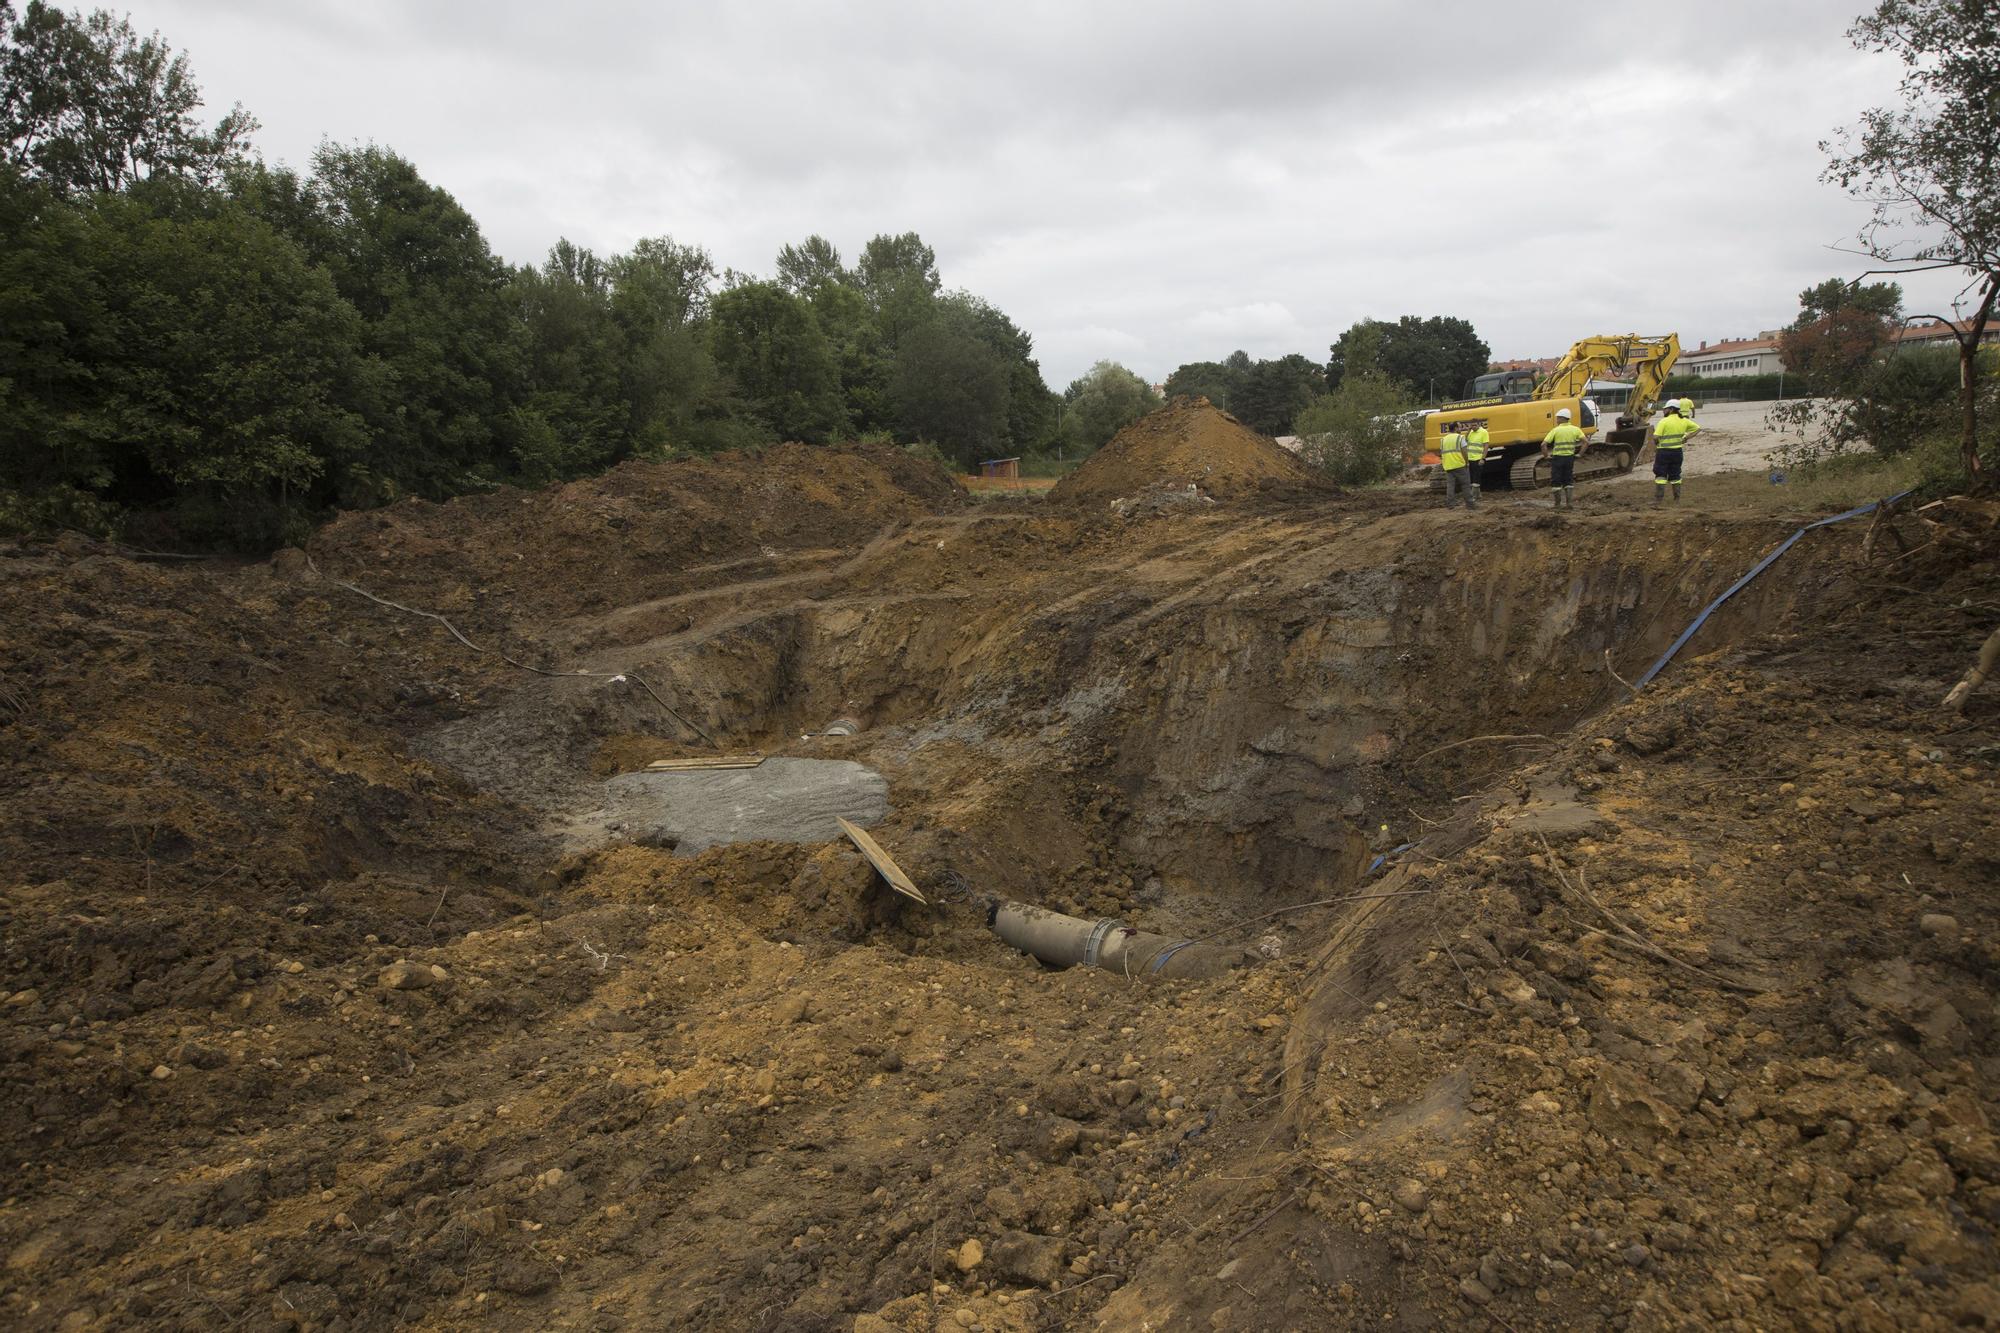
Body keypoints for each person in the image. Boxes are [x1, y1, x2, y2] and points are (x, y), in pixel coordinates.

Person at [1648, 401, 1700, 504]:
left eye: (1665, 408)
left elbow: (1655, 437)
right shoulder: (1684, 420)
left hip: (1664, 452)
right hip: (1677, 452)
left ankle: (1658, 499)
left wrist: (1657, 444)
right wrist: (1685, 438)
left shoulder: (1664, 421)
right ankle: (1677, 499)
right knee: (1676, 474)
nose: (1664, 410)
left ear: (1671, 409)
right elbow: (1698, 429)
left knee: (1660, 474)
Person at [1541, 407, 1585, 508]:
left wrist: (1546, 456)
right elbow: (1586, 442)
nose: (1556, 420)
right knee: (1568, 479)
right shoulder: (1575, 429)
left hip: (1557, 459)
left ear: (1562, 418)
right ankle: (1569, 504)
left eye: (1558, 418)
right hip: (1570, 458)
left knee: (1556, 480)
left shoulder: (1556, 430)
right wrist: (1580, 454)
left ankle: (1557, 504)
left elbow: (1543, 445)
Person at [1438, 421, 1474, 509]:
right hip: (1459, 465)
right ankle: (1470, 505)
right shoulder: (1460, 437)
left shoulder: (1443, 439)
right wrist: (1467, 462)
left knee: (1450, 486)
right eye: (1460, 427)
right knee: (1465, 485)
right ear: (1455, 428)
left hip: (1448, 466)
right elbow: (1464, 451)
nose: (1461, 429)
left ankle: (1450, 504)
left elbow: (1441, 453)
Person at [1465, 419, 1491, 503]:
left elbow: (1486, 446)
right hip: (1470, 458)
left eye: (1475, 425)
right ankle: (1478, 495)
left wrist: (1483, 458)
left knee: (1476, 478)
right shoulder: (1471, 432)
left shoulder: (1484, 432)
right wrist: (1468, 431)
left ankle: (1473, 496)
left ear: (1479, 424)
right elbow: (1465, 441)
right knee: (1472, 478)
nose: (1473, 427)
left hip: (1478, 458)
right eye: (1472, 425)